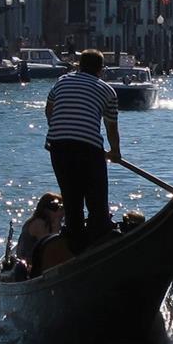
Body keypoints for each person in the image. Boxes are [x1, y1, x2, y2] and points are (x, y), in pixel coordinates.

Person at [44, 48, 121, 252]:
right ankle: (98, 244)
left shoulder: (61, 81)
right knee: (97, 203)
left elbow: (49, 110)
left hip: (58, 147)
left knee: (72, 200)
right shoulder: (107, 91)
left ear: (78, 65)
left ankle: (76, 247)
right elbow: (111, 126)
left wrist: (58, 130)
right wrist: (115, 152)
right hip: (88, 149)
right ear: (101, 69)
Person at [15, 192, 64, 262]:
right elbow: (49, 247)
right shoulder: (39, 223)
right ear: (46, 210)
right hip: (29, 260)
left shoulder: (49, 222)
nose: (62, 212)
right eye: (59, 209)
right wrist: (57, 223)